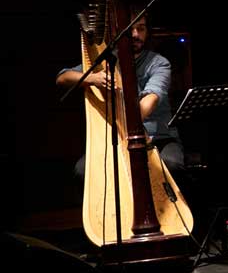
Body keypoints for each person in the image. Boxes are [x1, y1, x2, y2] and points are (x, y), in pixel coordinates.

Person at [57, 13, 184, 177]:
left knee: (171, 163)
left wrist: (126, 117)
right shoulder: (108, 60)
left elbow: (149, 101)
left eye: (141, 29)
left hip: (158, 138)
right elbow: (62, 78)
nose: (136, 34)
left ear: (147, 32)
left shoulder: (159, 63)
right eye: (130, 29)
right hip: (118, 138)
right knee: (83, 170)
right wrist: (92, 78)